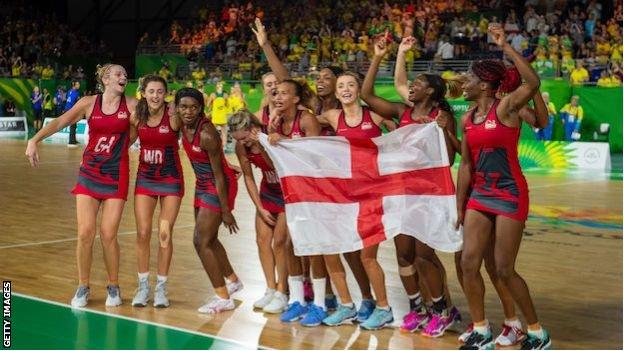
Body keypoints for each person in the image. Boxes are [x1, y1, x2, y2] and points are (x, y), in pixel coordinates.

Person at [456, 24, 551, 350]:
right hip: (480, 195)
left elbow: (534, 83)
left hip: (510, 194)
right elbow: (466, 165)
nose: (463, 85)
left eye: (469, 80)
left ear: (484, 84)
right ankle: (481, 329)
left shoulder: (507, 106)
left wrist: (505, 46)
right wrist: (460, 206)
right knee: (469, 263)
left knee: (504, 269)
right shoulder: (466, 118)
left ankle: (537, 331)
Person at [362, 35, 462, 337]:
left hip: (430, 196)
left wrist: (443, 130)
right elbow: (367, 94)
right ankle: (417, 307)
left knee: (423, 256)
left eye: (417, 83)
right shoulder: (400, 112)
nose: (411, 87)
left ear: (430, 90)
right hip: (400, 193)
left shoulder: (441, 117)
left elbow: (451, 156)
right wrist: (379, 57)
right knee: (402, 254)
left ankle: (441, 309)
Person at [25, 63, 138, 307]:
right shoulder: (88, 103)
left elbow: (148, 130)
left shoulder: (132, 105)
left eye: (125, 74)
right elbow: (60, 122)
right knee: (85, 232)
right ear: (106, 79)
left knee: (108, 234)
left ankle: (114, 286)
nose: (124, 77)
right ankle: (83, 286)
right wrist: (34, 140)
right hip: (89, 173)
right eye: (119, 74)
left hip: (116, 174)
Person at [315, 72, 394, 330]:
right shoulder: (332, 117)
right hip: (346, 195)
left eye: (351, 85)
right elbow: (302, 125)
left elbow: (401, 134)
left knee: (367, 257)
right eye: (341, 86)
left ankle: (384, 309)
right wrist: (276, 136)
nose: (346, 89)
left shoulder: (375, 116)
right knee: (330, 249)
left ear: (359, 90)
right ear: (336, 94)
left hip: (373, 195)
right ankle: (347, 305)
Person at [177, 87, 243, 313]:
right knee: (210, 239)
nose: (188, 111)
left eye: (194, 107)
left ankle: (223, 297)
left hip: (218, 185)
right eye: (183, 106)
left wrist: (226, 210)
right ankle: (233, 281)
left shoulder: (207, 134)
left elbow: (219, 175)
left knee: (200, 241)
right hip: (202, 184)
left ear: (201, 109)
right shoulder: (181, 123)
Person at [129, 75, 184, 308]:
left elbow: (195, 138)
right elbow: (122, 143)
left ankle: (161, 288)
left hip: (171, 179)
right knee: (142, 233)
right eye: (151, 91)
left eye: (160, 91)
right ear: (144, 92)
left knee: (164, 233)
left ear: (166, 93)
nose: (155, 96)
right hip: (146, 179)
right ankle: (143, 287)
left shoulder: (173, 117)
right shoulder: (137, 117)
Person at [229, 109, 289, 314]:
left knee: (280, 242)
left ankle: (283, 291)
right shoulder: (241, 146)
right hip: (268, 192)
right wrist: (260, 208)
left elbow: (276, 165)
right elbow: (247, 177)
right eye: (238, 140)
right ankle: (271, 288)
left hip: (288, 193)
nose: (243, 143)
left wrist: (262, 146)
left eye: (245, 138)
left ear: (254, 129)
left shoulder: (271, 136)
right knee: (262, 241)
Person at [208, 81, 230, 149]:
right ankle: (224, 146)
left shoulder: (213, 94)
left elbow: (208, 104)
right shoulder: (225, 95)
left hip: (216, 115)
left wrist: (211, 105)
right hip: (222, 115)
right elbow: (227, 105)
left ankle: (212, 145)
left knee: (212, 132)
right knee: (224, 132)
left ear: (216, 87)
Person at [65, 81, 81, 148]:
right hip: (71, 110)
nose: (79, 85)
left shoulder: (69, 91)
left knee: (74, 125)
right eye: (78, 84)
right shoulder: (76, 93)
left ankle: (73, 140)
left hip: (67, 109)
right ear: (74, 85)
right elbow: (76, 102)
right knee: (72, 126)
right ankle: (71, 141)